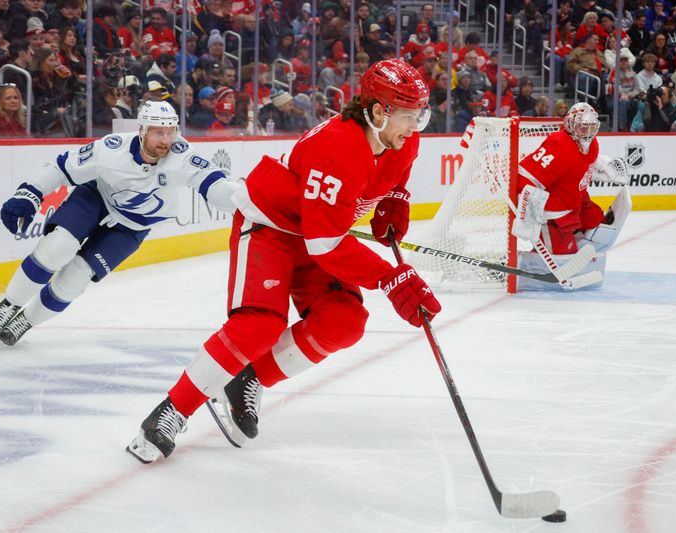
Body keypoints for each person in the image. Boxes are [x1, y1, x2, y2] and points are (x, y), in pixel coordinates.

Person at [126, 59, 442, 464]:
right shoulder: (339, 147)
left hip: (317, 233)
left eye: (421, 115)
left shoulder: (402, 138)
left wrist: (396, 197)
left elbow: (393, 175)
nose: (415, 126)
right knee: (259, 325)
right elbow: (327, 245)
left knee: (344, 321)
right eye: (408, 116)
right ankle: (170, 411)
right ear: (379, 112)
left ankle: (247, 381)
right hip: (271, 228)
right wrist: (390, 278)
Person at [0, 101, 240, 347]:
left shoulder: (182, 157)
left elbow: (215, 185)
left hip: (133, 226)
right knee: (59, 246)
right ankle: (9, 306)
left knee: (76, 277)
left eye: (170, 132)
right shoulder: (111, 149)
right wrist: (31, 192)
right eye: (158, 132)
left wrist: (246, 199)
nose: (165, 140)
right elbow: (62, 167)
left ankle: (26, 321)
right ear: (141, 131)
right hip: (96, 198)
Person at [513, 102, 627, 258]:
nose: (588, 132)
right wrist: (529, 215)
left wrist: (600, 169)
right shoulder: (559, 144)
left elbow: (575, 166)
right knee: (562, 256)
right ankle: (528, 262)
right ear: (571, 125)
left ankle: (575, 238)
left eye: (592, 127)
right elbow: (527, 176)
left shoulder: (592, 144)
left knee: (599, 227)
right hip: (552, 213)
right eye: (583, 127)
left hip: (575, 202)